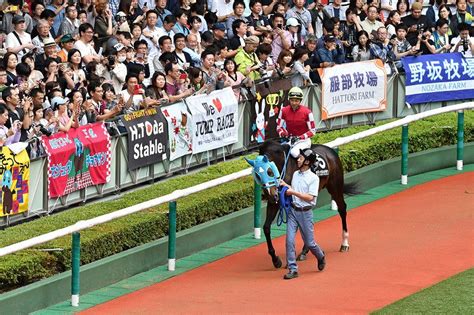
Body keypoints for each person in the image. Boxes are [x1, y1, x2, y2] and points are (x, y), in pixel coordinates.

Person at [279, 148, 326, 280]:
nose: (298, 159)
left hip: (305, 213)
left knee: (310, 243)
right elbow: (294, 189)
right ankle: (293, 269)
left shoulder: (314, 178)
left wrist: (292, 192)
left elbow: (310, 198)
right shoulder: (295, 174)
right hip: (293, 211)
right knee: (289, 240)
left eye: (300, 158)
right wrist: (285, 185)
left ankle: (320, 256)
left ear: (307, 162)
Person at [276, 87, 316, 158]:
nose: (294, 103)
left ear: (300, 100)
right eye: (292, 100)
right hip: (291, 140)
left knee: (294, 152)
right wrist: (283, 133)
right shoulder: (283, 111)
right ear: (289, 99)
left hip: (304, 141)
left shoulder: (307, 112)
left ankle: (306, 166)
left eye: (296, 100)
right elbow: (279, 127)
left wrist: (300, 137)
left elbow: (313, 131)